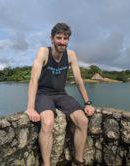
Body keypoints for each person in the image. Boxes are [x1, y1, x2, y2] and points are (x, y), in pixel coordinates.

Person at [23, 22, 96, 165]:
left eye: (65, 38)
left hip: (61, 93)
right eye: (59, 38)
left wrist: (87, 103)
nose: (62, 42)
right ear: (52, 39)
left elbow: (78, 79)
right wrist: (30, 108)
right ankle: (46, 163)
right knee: (48, 123)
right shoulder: (44, 52)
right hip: (43, 93)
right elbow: (33, 79)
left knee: (83, 121)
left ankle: (79, 160)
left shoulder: (71, 55)